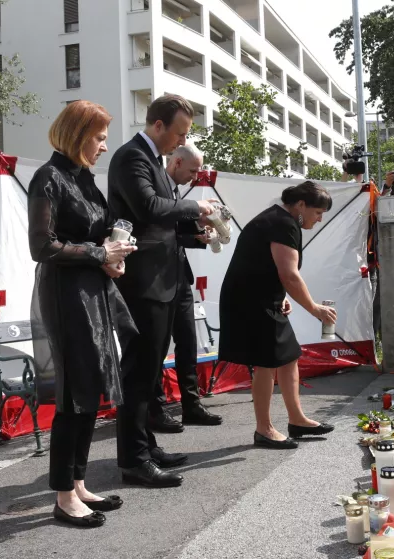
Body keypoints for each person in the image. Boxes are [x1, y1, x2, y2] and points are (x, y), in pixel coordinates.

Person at [27, 100, 133, 527]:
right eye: (101, 137)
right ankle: (63, 495)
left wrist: (115, 251)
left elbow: (102, 228)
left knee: (89, 388)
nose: (105, 146)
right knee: (74, 395)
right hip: (65, 294)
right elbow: (42, 246)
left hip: (93, 290)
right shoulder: (47, 178)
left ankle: (79, 483)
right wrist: (98, 252)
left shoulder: (83, 177)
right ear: (78, 135)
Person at [108, 94, 217, 488]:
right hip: (144, 283)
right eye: (179, 133)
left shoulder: (151, 158)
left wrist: (193, 233)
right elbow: (149, 209)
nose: (180, 141)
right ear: (158, 126)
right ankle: (134, 460)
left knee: (149, 371)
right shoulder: (131, 157)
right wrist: (195, 209)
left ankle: (146, 446)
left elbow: (161, 222)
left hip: (163, 281)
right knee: (138, 373)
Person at [218, 181, 338, 449]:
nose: (319, 219)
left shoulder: (279, 219)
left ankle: (297, 420)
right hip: (251, 301)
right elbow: (290, 275)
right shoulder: (282, 224)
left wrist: (281, 295)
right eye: (318, 212)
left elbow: (265, 265)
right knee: (267, 361)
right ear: (301, 205)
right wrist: (315, 309)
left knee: (288, 356)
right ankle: (264, 430)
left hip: (261, 297)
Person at [148, 143, 223, 429]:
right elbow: (156, 229)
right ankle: (155, 409)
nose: (195, 176)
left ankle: (191, 404)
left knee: (188, 343)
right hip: (157, 279)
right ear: (176, 162)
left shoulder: (176, 188)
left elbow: (175, 232)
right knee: (155, 347)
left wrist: (198, 237)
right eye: (193, 170)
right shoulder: (155, 185)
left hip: (179, 277)